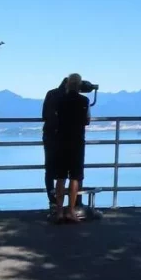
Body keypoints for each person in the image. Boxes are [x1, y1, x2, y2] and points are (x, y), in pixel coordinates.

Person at [54, 74, 90, 223]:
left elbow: (56, 117)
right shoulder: (84, 100)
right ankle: (71, 211)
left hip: (61, 140)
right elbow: (87, 120)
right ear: (80, 85)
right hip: (77, 141)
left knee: (60, 177)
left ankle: (59, 211)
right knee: (75, 177)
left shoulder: (59, 100)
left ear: (67, 84)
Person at [41, 77, 68, 210]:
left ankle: (52, 201)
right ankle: (61, 201)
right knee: (64, 170)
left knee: (49, 169)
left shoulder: (50, 94)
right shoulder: (72, 97)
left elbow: (44, 115)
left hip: (49, 135)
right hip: (65, 136)